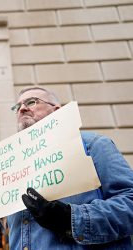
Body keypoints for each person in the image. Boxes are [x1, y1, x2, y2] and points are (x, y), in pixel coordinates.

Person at [7, 87, 133, 249]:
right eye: (17, 107)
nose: (22, 109)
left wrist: (69, 218)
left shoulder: (93, 145)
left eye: (31, 102)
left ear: (57, 111)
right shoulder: (13, 169)